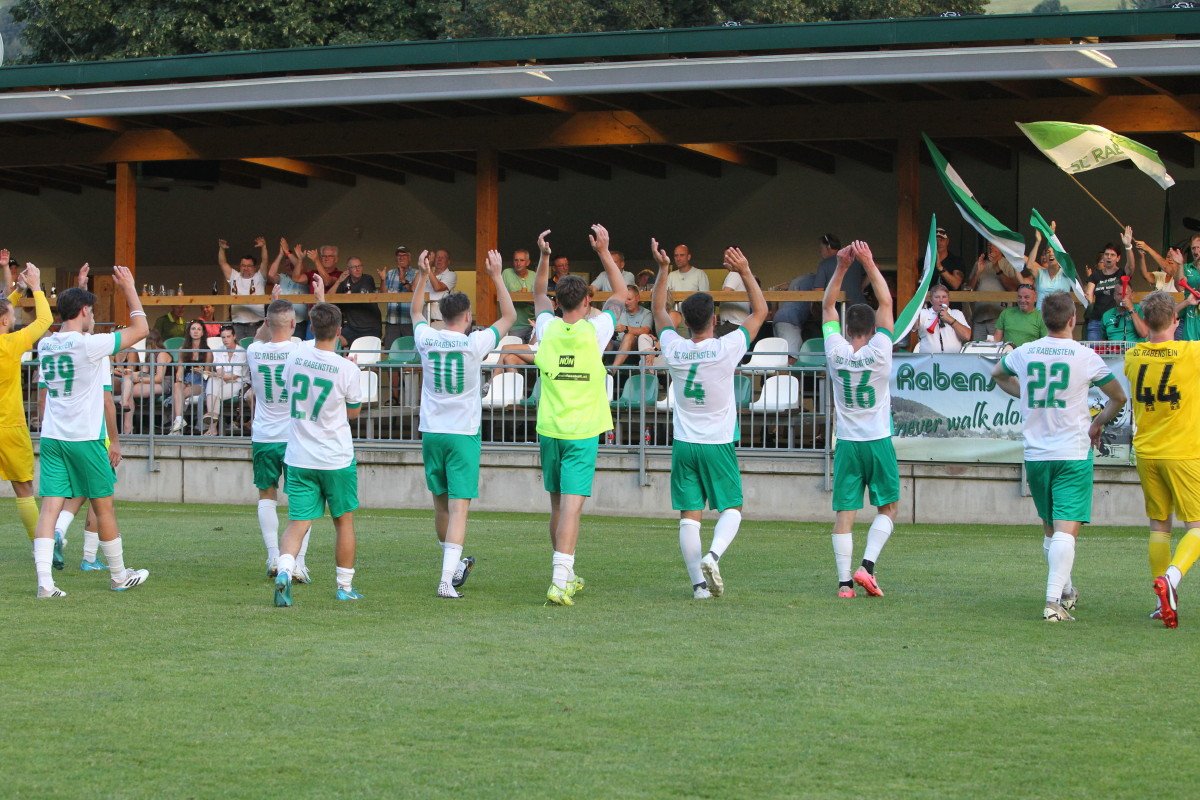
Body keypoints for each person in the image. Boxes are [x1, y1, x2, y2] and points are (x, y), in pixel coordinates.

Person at [992, 292, 1127, 621]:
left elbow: (997, 372)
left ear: (1043, 318)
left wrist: (1024, 391)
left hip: (1037, 454)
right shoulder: (1084, 355)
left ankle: (1066, 591)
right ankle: (1053, 601)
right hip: (1072, 452)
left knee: (1051, 529)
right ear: (1072, 320)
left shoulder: (1026, 351)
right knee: (1066, 529)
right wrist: (1098, 422)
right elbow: (1118, 397)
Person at [651, 240, 767, 599]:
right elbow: (760, 311)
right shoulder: (725, 346)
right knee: (732, 508)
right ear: (714, 320)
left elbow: (657, 310)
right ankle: (713, 556)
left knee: (689, 516)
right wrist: (744, 270)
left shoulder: (673, 347)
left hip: (685, 444)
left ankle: (699, 587)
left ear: (684, 321)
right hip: (717, 443)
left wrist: (662, 270)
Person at [33, 265, 149, 598]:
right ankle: (117, 576)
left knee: (50, 506)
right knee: (103, 506)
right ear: (84, 312)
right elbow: (140, 328)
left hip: (54, 436)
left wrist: (79, 288)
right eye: (91, 310)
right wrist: (128, 288)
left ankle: (44, 582)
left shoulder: (47, 345)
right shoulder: (90, 345)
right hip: (84, 437)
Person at [412, 248, 517, 598]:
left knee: (441, 505)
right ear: (468, 315)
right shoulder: (474, 343)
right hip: (463, 433)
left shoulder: (427, 339)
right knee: (459, 508)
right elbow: (509, 316)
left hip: (431, 431)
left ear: (441, 315)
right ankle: (445, 580)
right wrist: (497, 275)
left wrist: (422, 274)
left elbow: (414, 311)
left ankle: (452, 567)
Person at [533, 226, 627, 606]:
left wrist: (543, 256)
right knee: (571, 506)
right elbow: (621, 294)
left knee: (558, 505)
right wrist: (604, 250)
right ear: (587, 301)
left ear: (559, 302)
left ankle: (566, 574)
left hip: (550, 427)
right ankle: (559, 579)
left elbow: (538, 293)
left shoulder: (547, 326)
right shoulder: (597, 329)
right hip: (582, 430)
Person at [272, 300, 364, 607]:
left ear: (311, 327)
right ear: (339, 332)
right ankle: (344, 586)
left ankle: (285, 570)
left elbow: (288, 393)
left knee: (298, 523)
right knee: (344, 522)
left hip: (299, 455)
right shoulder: (347, 368)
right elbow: (353, 413)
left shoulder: (295, 356)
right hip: (336, 457)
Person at [821, 240, 897, 599]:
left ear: (848, 327)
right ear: (873, 328)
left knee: (845, 512)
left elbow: (826, 307)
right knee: (889, 507)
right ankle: (867, 566)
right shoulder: (881, 351)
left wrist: (841, 267)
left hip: (848, 442)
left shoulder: (835, 352)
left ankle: (843, 585)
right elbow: (886, 302)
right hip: (878, 439)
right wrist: (868, 262)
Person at [1125, 292, 1200, 628]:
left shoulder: (1133, 356)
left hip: (1146, 452)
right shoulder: (1191, 353)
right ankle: (1171, 577)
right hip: (1182, 451)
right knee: (1198, 527)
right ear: (1176, 322)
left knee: (1159, 526)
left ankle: (1161, 601)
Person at [246, 284, 314, 583]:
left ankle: (274, 556)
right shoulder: (300, 349)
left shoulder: (253, 351)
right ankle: (297, 561)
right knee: (303, 500)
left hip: (263, 434)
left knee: (266, 495)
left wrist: (271, 308)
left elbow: (264, 335)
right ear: (293, 323)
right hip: (295, 436)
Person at [0, 262, 51, 549]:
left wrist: (17, 292)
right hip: (9, 425)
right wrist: (35, 287)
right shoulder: (11, 343)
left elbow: (2, 306)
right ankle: (42, 547)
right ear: (5, 322)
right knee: (23, 489)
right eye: (12, 314)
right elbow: (43, 322)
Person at [118, 328, 172, 433]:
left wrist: (139, 379)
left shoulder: (161, 354)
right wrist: (130, 374)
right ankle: (127, 424)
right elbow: (144, 371)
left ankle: (127, 426)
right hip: (152, 380)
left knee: (129, 391)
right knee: (128, 383)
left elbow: (159, 378)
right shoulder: (150, 354)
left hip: (165, 383)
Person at [217, 236, 269, 340]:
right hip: (237, 325)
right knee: (239, 352)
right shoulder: (234, 276)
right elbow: (222, 263)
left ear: (254, 267)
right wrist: (221, 249)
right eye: (243, 265)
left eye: (249, 266)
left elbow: (265, 261)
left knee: (254, 353)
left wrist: (263, 247)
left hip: (255, 324)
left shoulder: (259, 277)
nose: (245, 268)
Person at [965, 242, 1020, 340]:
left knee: (996, 350)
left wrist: (997, 268)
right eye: (989, 245)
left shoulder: (1007, 264)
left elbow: (1013, 288)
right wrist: (977, 273)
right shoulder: (980, 263)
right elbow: (969, 289)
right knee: (977, 351)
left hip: (999, 317)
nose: (990, 247)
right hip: (979, 316)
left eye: (994, 244)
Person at [167, 320, 212, 435]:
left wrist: (201, 371)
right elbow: (180, 369)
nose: (196, 331)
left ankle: (176, 427)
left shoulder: (207, 351)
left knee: (180, 392)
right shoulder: (183, 349)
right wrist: (179, 377)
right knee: (177, 385)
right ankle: (178, 420)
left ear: (202, 333)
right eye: (193, 329)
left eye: (198, 329)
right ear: (189, 332)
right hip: (187, 379)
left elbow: (207, 374)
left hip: (200, 382)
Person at [200, 325, 247, 436]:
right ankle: (213, 422)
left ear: (234, 336)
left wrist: (215, 374)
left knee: (214, 393)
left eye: (228, 336)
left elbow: (235, 376)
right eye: (223, 337)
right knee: (213, 381)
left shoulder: (241, 352)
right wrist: (217, 374)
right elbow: (220, 372)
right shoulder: (219, 350)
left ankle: (212, 426)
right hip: (223, 381)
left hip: (238, 383)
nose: (225, 340)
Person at [1084, 242, 1132, 341]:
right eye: (1106, 254)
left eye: (1112, 255)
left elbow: (1131, 267)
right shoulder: (1096, 274)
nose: (1109, 257)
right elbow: (1089, 292)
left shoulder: (1122, 273)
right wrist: (1087, 297)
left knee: (1115, 352)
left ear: (1118, 258)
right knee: (1094, 352)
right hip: (1097, 320)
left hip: (1115, 320)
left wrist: (1128, 247)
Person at [1024, 222, 1075, 310]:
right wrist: (1038, 241)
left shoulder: (1066, 272)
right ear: (1045, 258)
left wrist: (1052, 237)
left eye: (1054, 252)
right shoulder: (1040, 273)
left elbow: (1067, 259)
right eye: (1048, 252)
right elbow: (1029, 266)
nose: (1051, 254)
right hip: (1041, 319)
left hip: (1061, 319)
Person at [332, 256, 381, 345]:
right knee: (334, 342)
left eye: (359, 266)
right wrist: (338, 281)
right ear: (348, 269)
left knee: (367, 354)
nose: (357, 269)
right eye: (354, 267)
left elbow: (359, 293)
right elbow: (328, 298)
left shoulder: (368, 279)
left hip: (371, 328)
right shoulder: (343, 282)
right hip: (352, 328)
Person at [269, 237, 310, 341]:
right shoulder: (282, 277)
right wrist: (281, 255)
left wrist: (288, 252)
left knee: (297, 348)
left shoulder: (304, 276)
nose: (289, 267)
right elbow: (271, 274)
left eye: (291, 264)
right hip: (283, 322)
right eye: (286, 265)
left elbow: (300, 267)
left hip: (300, 322)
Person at [609, 285, 654, 369]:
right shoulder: (618, 311)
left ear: (637, 298)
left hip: (635, 348)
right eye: (625, 299)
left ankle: (613, 370)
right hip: (617, 344)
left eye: (629, 299)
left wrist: (626, 328)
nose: (626, 302)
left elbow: (645, 330)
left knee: (629, 336)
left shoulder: (646, 313)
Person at [378, 245, 415, 346]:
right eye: (399, 255)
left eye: (404, 255)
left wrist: (403, 280)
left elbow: (414, 291)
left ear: (409, 258)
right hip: (392, 321)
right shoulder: (390, 273)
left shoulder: (416, 273)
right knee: (391, 352)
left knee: (410, 353)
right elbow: (383, 294)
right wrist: (383, 279)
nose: (401, 257)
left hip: (409, 321)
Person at [915, 284, 970, 353]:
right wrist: (916, 306)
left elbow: (967, 336)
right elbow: (913, 326)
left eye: (944, 297)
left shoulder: (957, 313)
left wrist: (950, 319)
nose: (941, 300)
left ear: (948, 300)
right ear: (931, 301)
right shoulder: (923, 313)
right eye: (937, 297)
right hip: (929, 360)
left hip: (953, 360)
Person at [501, 248, 537, 341]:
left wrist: (522, 297)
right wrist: (519, 296)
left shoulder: (534, 275)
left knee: (533, 353)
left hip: (532, 323)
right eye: (516, 260)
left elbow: (539, 299)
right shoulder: (506, 273)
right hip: (514, 325)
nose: (518, 263)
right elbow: (501, 295)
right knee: (514, 353)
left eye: (522, 260)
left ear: (528, 262)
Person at [423, 249, 458, 329]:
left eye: (443, 258)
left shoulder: (451, 274)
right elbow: (414, 287)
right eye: (437, 257)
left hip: (440, 322)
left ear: (448, 261)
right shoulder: (427, 273)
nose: (439, 259)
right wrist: (426, 266)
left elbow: (437, 287)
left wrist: (428, 267)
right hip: (424, 321)